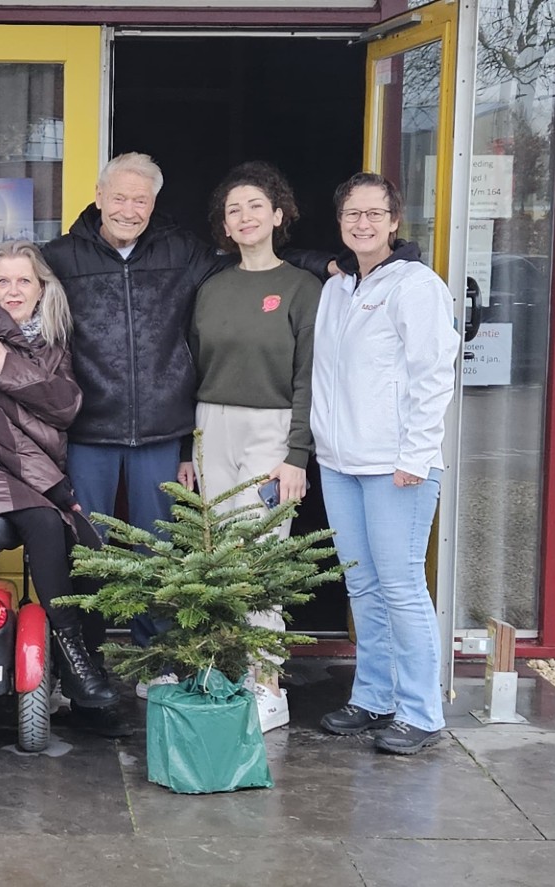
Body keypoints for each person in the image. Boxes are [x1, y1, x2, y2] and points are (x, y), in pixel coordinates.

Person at [0, 155, 331, 668]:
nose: (129, 209)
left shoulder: (183, 252)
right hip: (87, 431)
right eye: (120, 197)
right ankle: (85, 672)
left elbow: (254, 262)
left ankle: (160, 663)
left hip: (159, 432)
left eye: (141, 199)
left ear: (153, 205)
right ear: (99, 196)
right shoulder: (60, 257)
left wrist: (329, 264)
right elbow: (4, 287)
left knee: (160, 554)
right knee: (88, 554)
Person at [0, 241, 120, 716]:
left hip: (16, 466)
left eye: (23, 281)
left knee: (88, 541)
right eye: (3, 282)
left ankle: (85, 673)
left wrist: (4, 365)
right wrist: (53, 485)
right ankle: (74, 662)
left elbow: (66, 405)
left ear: (42, 288)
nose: (13, 291)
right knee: (46, 521)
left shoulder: (49, 339)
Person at [312, 172, 459, 755]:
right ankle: (374, 698)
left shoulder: (416, 286)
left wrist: (416, 455)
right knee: (363, 584)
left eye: (375, 214)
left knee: (400, 586)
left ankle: (421, 711)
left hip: (397, 465)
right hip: (341, 462)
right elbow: (326, 376)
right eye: (353, 214)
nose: (363, 224)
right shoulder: (336, 289)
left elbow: (433, 375)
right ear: (341, 222)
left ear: (395, 221)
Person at [187, 161, 322, 733]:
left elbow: (311, 377)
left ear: (278, 214)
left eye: (255, 206)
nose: (244, 217)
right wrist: (186, 447)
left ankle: (267, 684)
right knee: (213, 554)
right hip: (210, 423)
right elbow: (191, 367)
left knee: (259, 556)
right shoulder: (211, 287)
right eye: (233, 209)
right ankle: (221, 671)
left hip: (271, 429)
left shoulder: (301, 287)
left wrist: (296, 455)